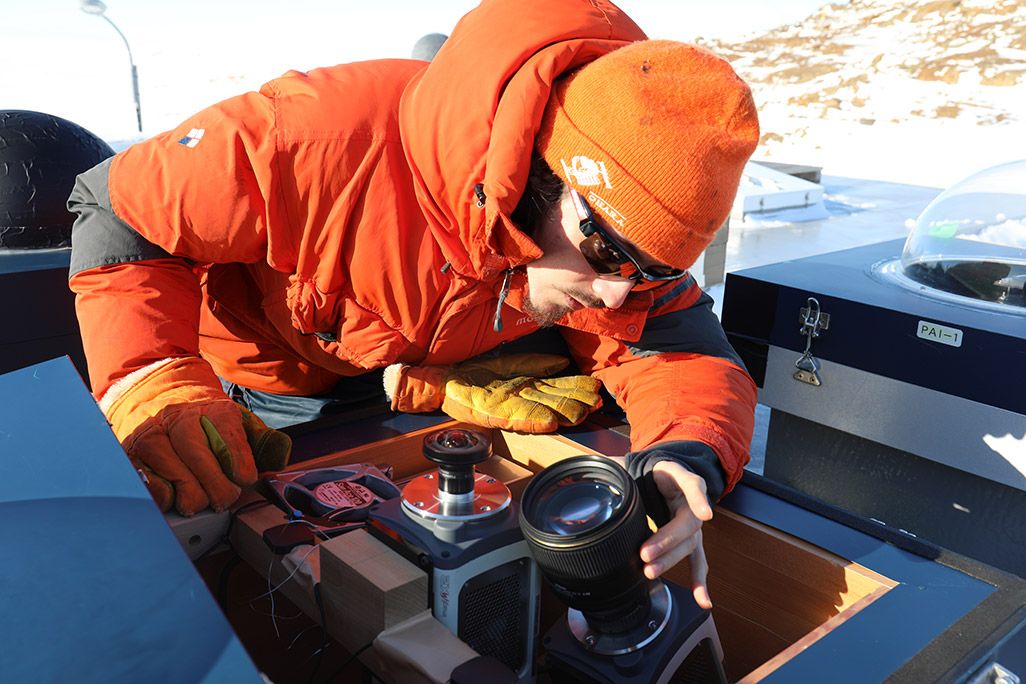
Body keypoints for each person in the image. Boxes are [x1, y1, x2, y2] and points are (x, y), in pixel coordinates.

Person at [68, 0, 759, 609]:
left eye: (651, 269)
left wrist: (684, 455)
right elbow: (118, 211)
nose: (616, 291)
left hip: (414, 387)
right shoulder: (309, 137)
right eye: (606, 252)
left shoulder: (613, 250)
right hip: (268, 393)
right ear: (546, 176)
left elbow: (681, 353)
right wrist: (148, 375)